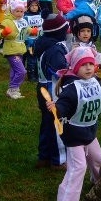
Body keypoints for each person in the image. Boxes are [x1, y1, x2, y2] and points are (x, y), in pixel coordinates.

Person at [45, 46, 101, 201]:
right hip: (74, 135)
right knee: (78, 167)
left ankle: (99, 184)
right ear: (75, 67)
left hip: (90, 132)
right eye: (84, 65)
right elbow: (64, 106)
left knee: (98, 159)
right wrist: (56, 109)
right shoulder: (72, 89)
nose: (88, 67)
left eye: (91, 63)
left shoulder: (94, 82)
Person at [33, 13, 70, 170]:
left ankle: (44, 156)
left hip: (42, 88)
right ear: (58, 31)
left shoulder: (43, 43)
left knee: (47, 123)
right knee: (57, 124)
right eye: (65, 28)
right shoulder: (55, 49)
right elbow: (60, 71)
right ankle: (58, 160)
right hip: (52, 90)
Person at [0, 0, 30, 99]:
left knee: (14, 71)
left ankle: (12, 91)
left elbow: (27, 29)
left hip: (20, 49)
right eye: (17, 11)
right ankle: (13, 88)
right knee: (21, 71)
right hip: (11, 51)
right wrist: (3, 33)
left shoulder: (23, 21)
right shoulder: (7, 21)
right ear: (12, 11)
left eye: (21, 11)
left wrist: (33, 31)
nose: (19, 14)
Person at [24, 0, 43, 82]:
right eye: (32, 5)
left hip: (39, 40)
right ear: (28, 6)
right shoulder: (25, 17)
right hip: (29, 40)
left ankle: (38, 74)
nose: (34, 7)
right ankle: (31, 75)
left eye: (36, 5)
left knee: (38, 58)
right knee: (31, 58)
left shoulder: (41, 15)